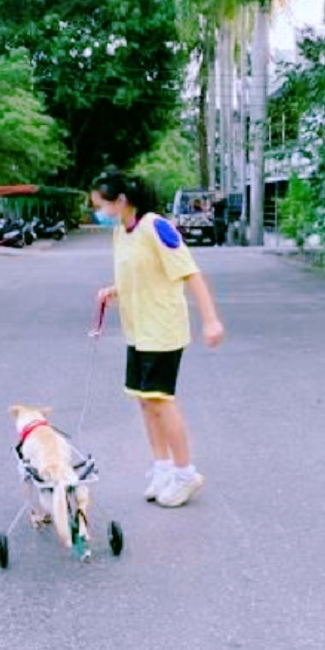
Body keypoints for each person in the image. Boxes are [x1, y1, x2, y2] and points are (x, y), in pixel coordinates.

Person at [91, 167, 225, 508]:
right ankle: (162, 468)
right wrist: (114, 290)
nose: (98, 213)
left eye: (100, 205)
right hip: (137, 330)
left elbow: (190, 274)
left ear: (120, 201)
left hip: (163, 329)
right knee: (144, 400)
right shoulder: (121, 232)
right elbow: (139, 275)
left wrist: (210, 321)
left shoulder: (156, 226)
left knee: (161, 400)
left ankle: (185, 473)